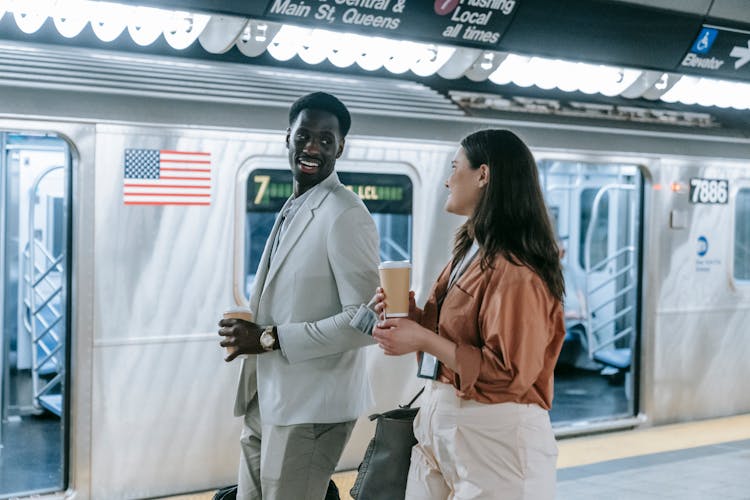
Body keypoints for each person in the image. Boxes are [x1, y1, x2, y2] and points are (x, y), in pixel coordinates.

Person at [372, 129, 566, 500]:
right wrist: (411, 318)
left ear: (483, 175)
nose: (447, 179)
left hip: (497, 439)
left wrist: (423, 338)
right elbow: (454, 338)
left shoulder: (517, 271)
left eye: (455, 167)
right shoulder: (470, 251)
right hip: (446, 429)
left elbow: (511, 374)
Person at [219, 92, 379, 500]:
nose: (312, 148)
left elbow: (365, 321)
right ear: (287, 137)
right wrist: (250, 332)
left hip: (311, 410)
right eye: (304, 136)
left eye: (326, 141)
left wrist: (268, 337)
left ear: (340, 148)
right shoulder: (295, 205)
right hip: (267, 398)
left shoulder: (345, 213)